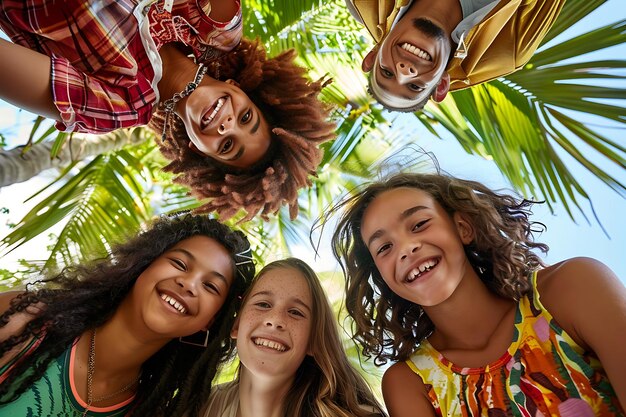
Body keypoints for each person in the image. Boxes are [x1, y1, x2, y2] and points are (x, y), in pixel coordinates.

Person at [0, 0, 335, 220]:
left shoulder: (115, 107)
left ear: (196, 148)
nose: (227, 125)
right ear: (239, 87)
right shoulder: (217, 29)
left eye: (228, 146)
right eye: (247, 118)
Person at [330, 172, 626, 416]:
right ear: (382, 275)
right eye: (384, 248)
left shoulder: (572, 288)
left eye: (419, 224)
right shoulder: (410, 383)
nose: (407, 248)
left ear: (463, 228)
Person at [0, 214, 255, 417]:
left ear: (210, 321)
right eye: (179, 264)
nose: (189, 284)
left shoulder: (146, 411)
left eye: (211, 287)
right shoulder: (24, 322)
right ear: (143, 265)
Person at [201, 258, 386, 417]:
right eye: (263, 304)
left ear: (313, 341)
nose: (275, 320)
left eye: (295, 312)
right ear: (236, 325)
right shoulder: (200, 407)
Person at [345, 0, 565, 112]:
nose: (405, 72)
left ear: (373, 56)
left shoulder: (364, 2)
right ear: (441, 85)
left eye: (387, 72)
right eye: (415, 87)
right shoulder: (510, 46)